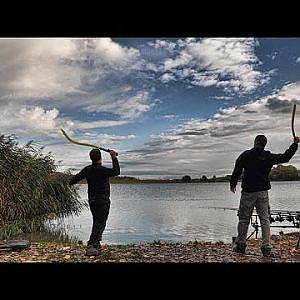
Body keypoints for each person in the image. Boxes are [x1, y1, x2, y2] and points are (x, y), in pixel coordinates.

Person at [230, 134, 299, 257]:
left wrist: (233, 183)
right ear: (264, 144)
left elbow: (238, 167)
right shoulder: (268, 156)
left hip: (248, 192)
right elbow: (285, 157)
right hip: (262, 192)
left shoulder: (246, 155)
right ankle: (266, 248)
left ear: (255, 142)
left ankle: (240, 246)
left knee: (244, 219)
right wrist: (294, 145)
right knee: (265, 220)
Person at [69, 148, 120, 256]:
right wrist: (114, 157)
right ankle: (91, 244)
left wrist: (69, 182)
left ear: (91, 158)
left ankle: (96, 244)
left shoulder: (87, 169)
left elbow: (75, 178)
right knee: (100, 223)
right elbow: (116, 172)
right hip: (103, 201)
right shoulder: (103, 170)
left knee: (97, 221)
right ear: (100, 158)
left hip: (92, 201)